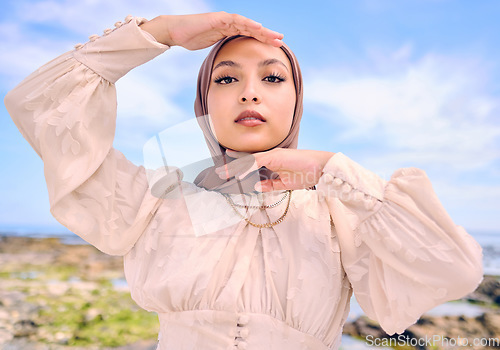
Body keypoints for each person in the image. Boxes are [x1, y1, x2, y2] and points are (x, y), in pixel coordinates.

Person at [4, 11, 483, 350]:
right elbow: (43, 107)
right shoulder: (167, 188)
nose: (249, 92)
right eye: (226, 79)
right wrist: (162, 32)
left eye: (273, 78)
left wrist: (327, 169)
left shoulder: (339, 202)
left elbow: (455, 270)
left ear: (297, 101)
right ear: (204, 100)